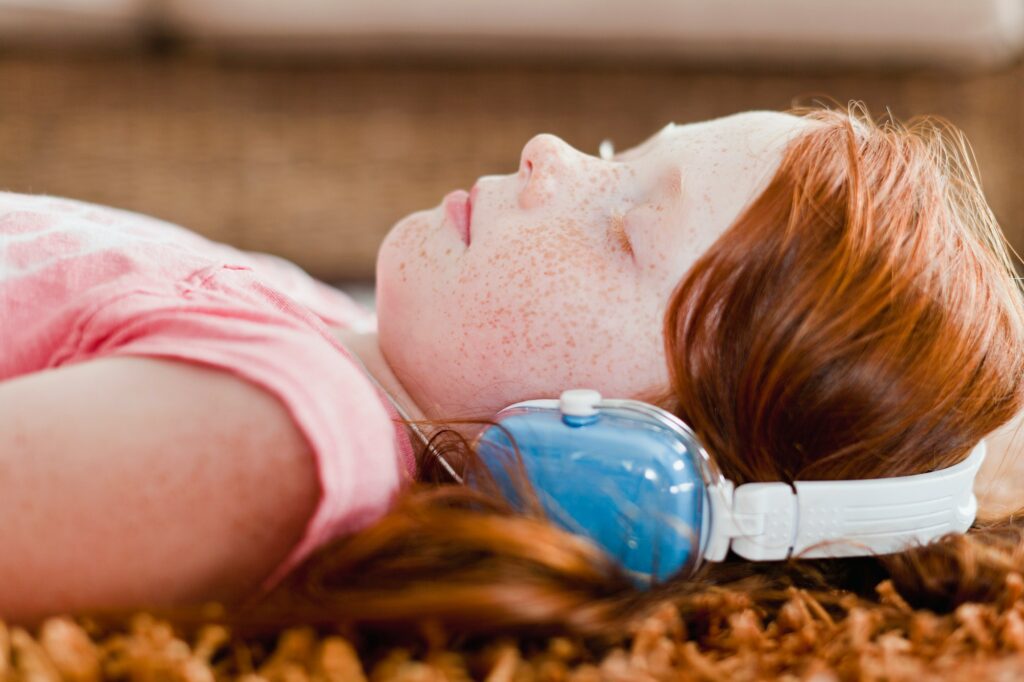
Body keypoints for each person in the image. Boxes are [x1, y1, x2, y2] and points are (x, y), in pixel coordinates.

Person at [0, 103, 1022, 634]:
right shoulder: (331, 329)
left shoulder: (275, 435)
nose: (548, 152)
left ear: (623, 477)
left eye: (624, 228)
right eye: (621, 151)